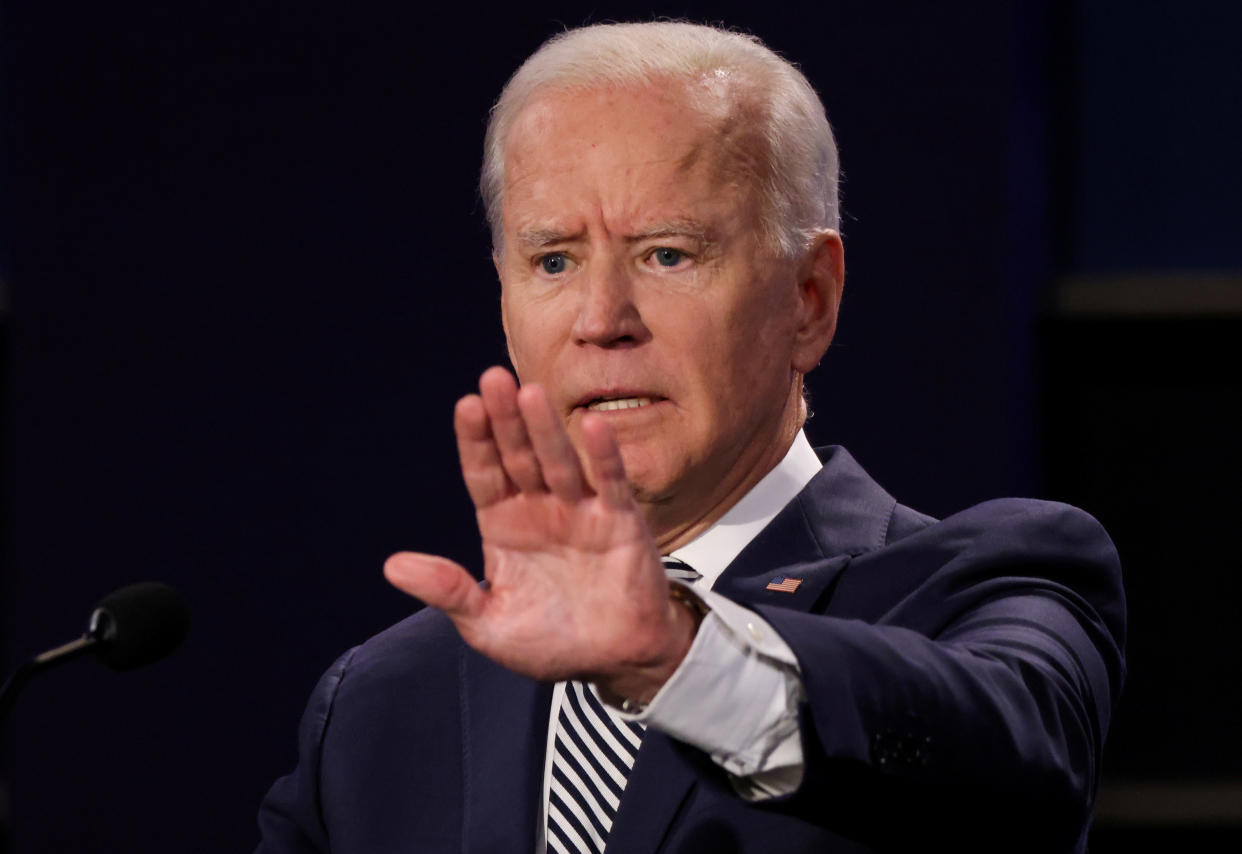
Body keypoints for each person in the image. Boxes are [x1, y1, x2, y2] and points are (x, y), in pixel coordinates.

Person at [256, 21, 1125, 854]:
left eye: (667, 254)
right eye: (554, 261)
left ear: (809, 299)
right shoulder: (377, 709)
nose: (602, 321)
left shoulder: (984, 585)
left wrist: (677, 656)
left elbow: (1020, 774)